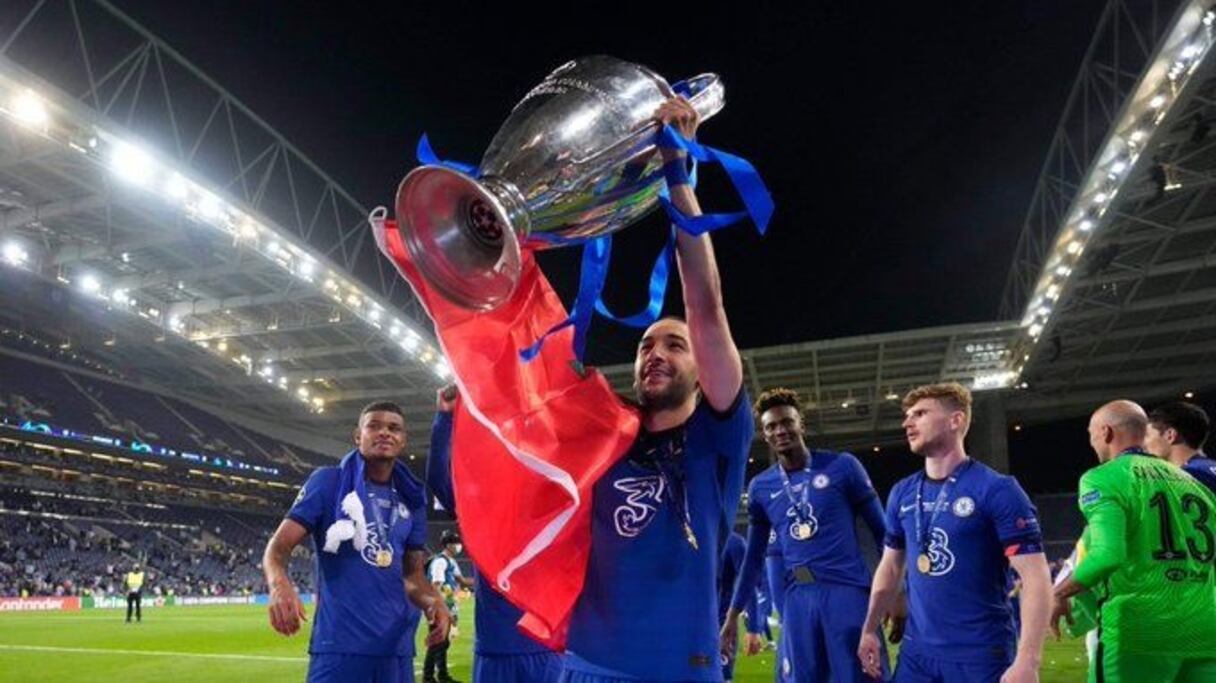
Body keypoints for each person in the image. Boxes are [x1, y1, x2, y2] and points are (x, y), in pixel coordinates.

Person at [559, 95, 753, 682]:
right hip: (587, 665)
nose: (656, 353)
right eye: (646, 346)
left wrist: (676, 172)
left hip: (679, 670)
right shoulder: (606, 437)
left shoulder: (719, 436)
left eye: (675, 345)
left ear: (701, 367)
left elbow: (705, 304)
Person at [859, 382, 1051, 683]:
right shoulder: (902, 493)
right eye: (907, 415)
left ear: (956, 420)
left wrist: (1029, 660)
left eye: (920, 413)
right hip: (916, 655)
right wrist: (869, 629)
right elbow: (891, 566)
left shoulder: (997, 490)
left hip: (980, 655)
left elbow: (1035, 576)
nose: (907, 422)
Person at [263, 401, 451, 683]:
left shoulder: (413, 498)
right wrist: (279, 584)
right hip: (340, 646)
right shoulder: (328, 482)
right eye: (374, 426)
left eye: (394, 428)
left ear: (403, 440)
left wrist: (434, 602)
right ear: (357, 436)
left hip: (396, 649)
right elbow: (278, 547)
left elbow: (413, 576)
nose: (384, 432)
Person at [723, 387, 889, 682]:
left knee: (860, 676)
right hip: (797, 597)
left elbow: (885, 534)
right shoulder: (761, 487)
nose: (780, 431)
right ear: (765, 434)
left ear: (801, 423)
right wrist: (733, 615)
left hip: (846, 590)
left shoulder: (842, 466)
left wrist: (898, 592)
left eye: (787, 422)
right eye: (771, 426)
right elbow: (753, 559)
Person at [1049, 400, 1216, 682]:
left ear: (1105, 432)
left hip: (1139, 630)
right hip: (1204, 629)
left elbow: (1107, 555)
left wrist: (1057, 594)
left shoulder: (1103, 478)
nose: (1092, 442)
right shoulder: (1193, 482)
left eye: (1091, 434)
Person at [427, 387, 565, 682]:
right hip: (496, 648)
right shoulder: (484, 507)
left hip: (547, 646)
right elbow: (438, 480)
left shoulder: (561, 502)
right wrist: (444, 418)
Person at [423, 529, 475, 683]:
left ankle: (442, 675)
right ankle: (428, 677)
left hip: (448, 606)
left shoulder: (451, 561)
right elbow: (435, 587)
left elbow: (463, 581)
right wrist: (444, 611)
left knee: (443, 643)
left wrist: (484, 581)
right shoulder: (441, 562)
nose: (459, 546)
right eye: (455, 543)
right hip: (440, 608)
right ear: (448, 545)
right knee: (437, 643)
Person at [718, 531, 763, 682]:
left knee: (722, 676)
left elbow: (748, 584)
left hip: (722, 624)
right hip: (689, 624)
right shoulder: (687, 538)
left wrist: (753, 628)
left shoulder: (734, 543)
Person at [1144, 401, 1216, 494]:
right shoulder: (1209, 468)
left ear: (1170, 435)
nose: (1143, 444)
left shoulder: (1189, 476)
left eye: (1147, 436)